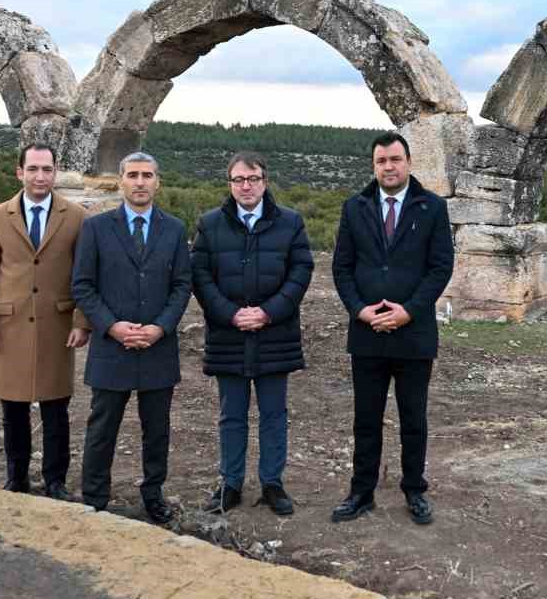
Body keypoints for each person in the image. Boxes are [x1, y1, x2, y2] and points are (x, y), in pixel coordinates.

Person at [329, 131, 454, 526]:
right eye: (381, 161)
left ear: (409, 162)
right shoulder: (355, 208)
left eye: (395, 159)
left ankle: (414, 490)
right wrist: (360, 311)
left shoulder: (431, 208)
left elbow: (440, 268)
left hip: (413, 334)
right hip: (366, 333)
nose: (389, 167)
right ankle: (361, 492)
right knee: (366, 418)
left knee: (413, 418)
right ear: (374, 165)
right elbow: (342, 268)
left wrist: (410, 311)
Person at [71, 151, 192, 524]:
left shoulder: (174, 229)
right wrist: (112, 326)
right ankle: (94, 496)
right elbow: (83, 285)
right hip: (112, 345)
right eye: (133, 175)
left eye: (148, 175)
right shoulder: (95, 228)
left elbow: (182, 285)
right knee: (102, 425)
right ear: (121, 181)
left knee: (156, 429)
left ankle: (153, 495)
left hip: (158, 346)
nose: (140, 182)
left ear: (158, 182)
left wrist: (159, 327)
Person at [190, 151, 314, 517]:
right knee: (232, 414)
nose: (246, 186)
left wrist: (268, 312)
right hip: (229, 336)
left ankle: (272, 484)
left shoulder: (290, 223)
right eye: (239, 179)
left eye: (253, 178)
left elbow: (300, 272)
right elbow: (201, 276)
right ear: (229, 184)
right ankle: (230, 484)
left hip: (275, 334)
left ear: (265, 181)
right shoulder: (210, 224)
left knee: (274, 413)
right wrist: (231, 314)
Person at [0, 142, 89, 500]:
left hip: (57, 326)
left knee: (56, 409)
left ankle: (55, 482)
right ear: (19, 172)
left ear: (55, 172)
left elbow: (85, 274)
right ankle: (16, 478)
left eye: (47, 169)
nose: (41, 176)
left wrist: (82, 321)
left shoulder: (77, 217)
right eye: (33, 169)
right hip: (10, 326)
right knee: (14, 409)